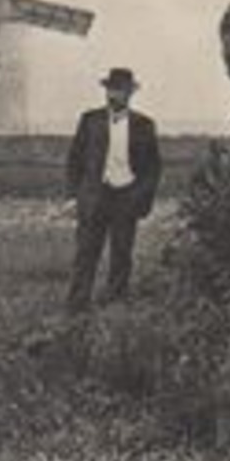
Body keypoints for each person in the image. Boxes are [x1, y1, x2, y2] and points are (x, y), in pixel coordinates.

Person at [64, 67, 162, 313]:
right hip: (95, 197)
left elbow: (153, 167)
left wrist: (140, 199)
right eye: (111, 89)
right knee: (86, 253)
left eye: (120, 90)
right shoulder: (90, 120)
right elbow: (74, 159)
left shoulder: (144, 125)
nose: (114, 95)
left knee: (122, 254)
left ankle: (115, 306)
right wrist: (74, 196)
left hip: (126, 198)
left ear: (130, 93)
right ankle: (77, 307)